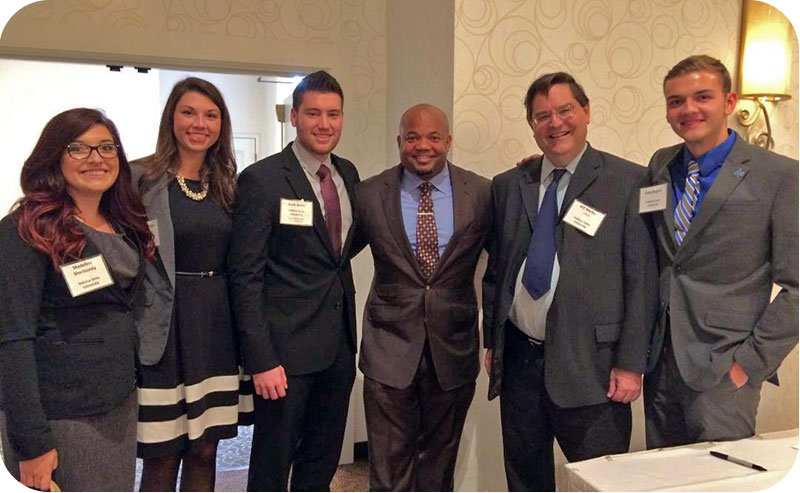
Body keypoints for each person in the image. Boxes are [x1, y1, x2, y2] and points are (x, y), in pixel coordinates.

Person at [482, 72, 658, 491]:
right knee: (525, 478)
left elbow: (642, 281)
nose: (555, 123)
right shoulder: (510, 185)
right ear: (531, 125)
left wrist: (632, 363)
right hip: (521, 361)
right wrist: (493, 339)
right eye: (542, 116)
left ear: (587, 112)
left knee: (601, 481)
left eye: (565, 110)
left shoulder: (629, 182)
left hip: (594, 368)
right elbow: (498, 270)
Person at [643, 55, 798, 449]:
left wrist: (749, 364)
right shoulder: (661, 165)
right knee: (660, 479)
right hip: (661, 362)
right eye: (675, 101)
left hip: (724, 368)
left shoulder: (779, 175)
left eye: (702, 97)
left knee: (720, 481)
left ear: (729, 103)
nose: (688, 109)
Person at [0, 108, 156, 491]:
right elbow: (11, 339)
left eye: (106, 147)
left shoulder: (123, 222)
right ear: (53, 156)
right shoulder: (25, 230)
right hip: (62, 412)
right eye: (79, 149)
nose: (96, 159)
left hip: (117, 401)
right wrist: (33, 442)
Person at [228, 70, 362, 491]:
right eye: (313, 114)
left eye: (333, 114)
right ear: (293, 117)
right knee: (273, 462)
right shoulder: (262, 180)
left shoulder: (348, 174)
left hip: (338, 347)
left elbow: (338, 253)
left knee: (321, 458)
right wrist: (261, 359)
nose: (324, 124)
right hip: (283, 354)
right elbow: (244, 275)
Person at [355, 104, 491, 491]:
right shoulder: (368, 194)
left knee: (438, 467)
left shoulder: (481, 193)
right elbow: (330, 256)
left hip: (454, 349)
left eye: (433, 137)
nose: (422, 145)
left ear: (448, 141)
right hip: (388, 350)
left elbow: (502, 262)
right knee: (387, 468)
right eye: (412, 137)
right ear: (399, 142)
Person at [131, 77, 253, 491]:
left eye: (210, 114)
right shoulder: (139, 180)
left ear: (222, 124)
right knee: (162, 453)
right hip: (164, 329)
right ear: (172, 118)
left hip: (216, 329)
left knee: (205, 450)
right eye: (189, 112)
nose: (199, 123)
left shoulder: (229, 186)